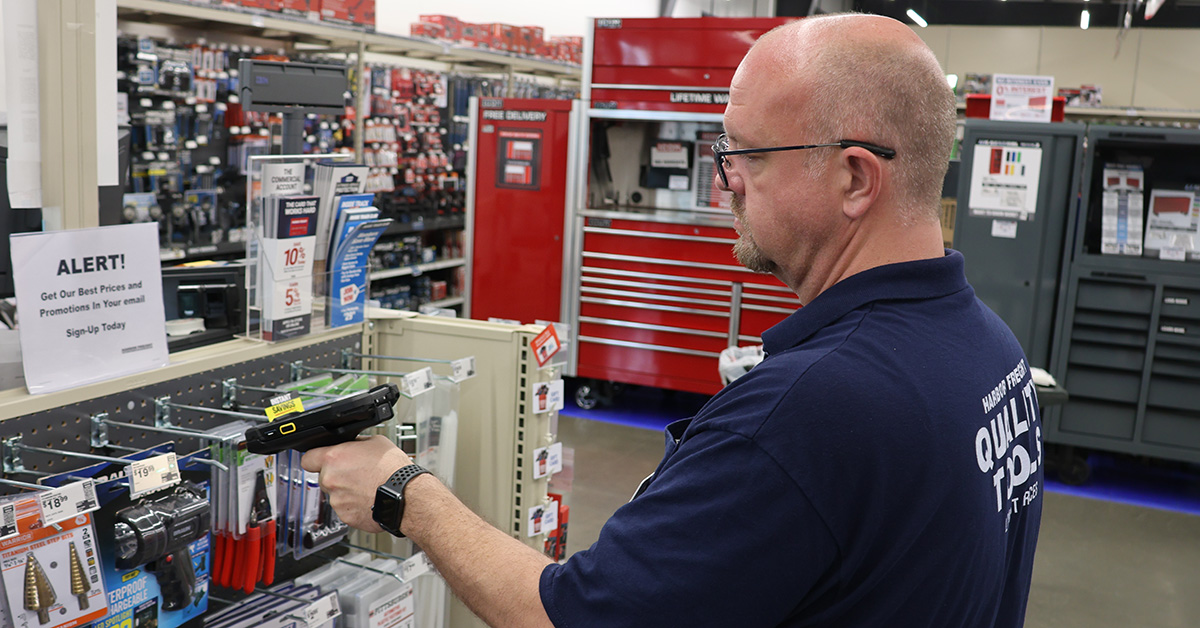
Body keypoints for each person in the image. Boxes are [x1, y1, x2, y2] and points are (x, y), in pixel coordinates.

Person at [302, 12, 1043, 627]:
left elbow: (570, 617)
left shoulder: (809, 413)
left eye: (746, 155)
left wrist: (408, 495)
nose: (725, 184)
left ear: (854, 177)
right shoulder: (991, 351)